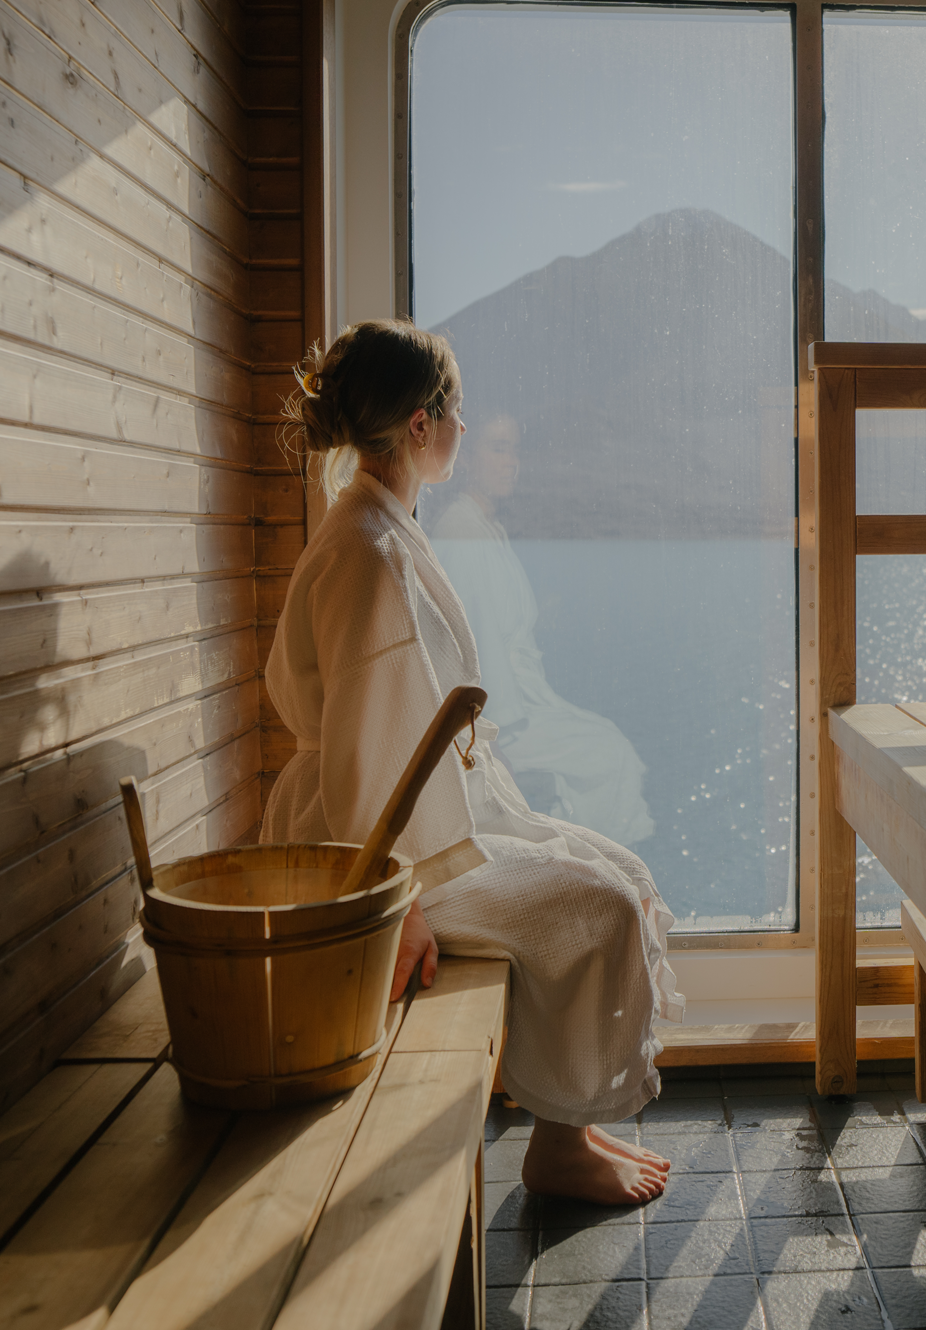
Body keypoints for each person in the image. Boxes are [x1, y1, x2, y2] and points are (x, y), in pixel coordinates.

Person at [262, 320, 683, 1205]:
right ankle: (557, 1148)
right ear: (423, 424)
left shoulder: (384, 527)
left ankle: (569, 1117)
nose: (467, 424)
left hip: (412, 819)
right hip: (376, 847)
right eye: (459, 410)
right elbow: (360, 760)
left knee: (624, 872)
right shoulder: (370, 553)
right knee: (600, 908)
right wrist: (395, 900)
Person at [430, 413, 654, 844]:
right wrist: (496, 744)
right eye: (498, 448)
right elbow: (477, 646)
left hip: (521, 700)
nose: (511, 461)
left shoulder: (486, 527)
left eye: (515, 449)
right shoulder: (461, 533)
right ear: (469, 456)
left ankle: (604, 869)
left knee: (610, 743)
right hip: (499, 717)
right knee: (612, 754)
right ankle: (601, 872)